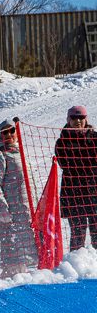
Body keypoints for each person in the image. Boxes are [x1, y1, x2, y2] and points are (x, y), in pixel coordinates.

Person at [0, 120, 38, 277]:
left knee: (28, 246)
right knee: (13, 246)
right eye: (4, 132)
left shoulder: (19, 153)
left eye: (11, 131)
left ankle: (31, 277)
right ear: (0, 135)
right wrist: (2, 209)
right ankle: (12, 278)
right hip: (12, 212)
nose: (8, 134)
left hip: (27, 209)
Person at [55, 106, 97, 250]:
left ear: (86, 119)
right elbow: (66, 165)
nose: (78, 121)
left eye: (81, 118)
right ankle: (75, 266)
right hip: (74, 193)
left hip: (94, 191)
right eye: (74, 118)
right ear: (68, 120)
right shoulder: (62, 141)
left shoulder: (95, 137)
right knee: (77, 233)